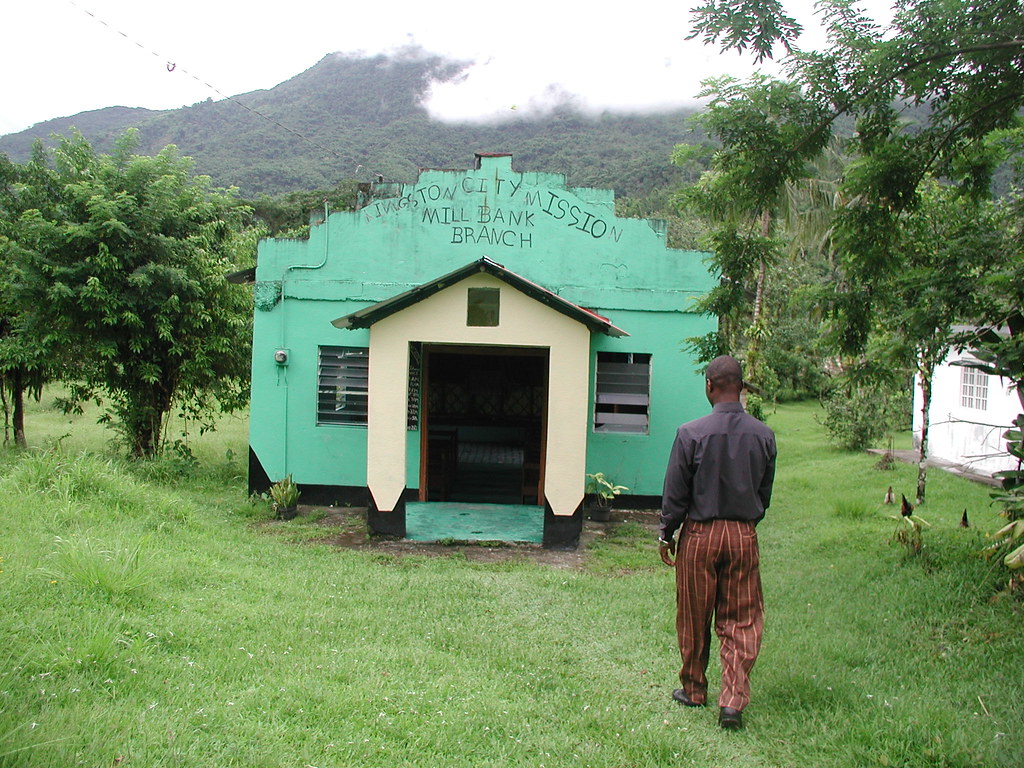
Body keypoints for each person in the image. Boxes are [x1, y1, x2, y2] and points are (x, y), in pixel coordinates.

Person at [658, 355, 776, 730]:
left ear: (709, 386)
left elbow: (676, 493)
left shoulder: (690, 433)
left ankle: (693, 689)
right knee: (741, 618)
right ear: (740, 387)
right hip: (743, 534)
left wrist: (667, 533)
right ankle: (732, 702)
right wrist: (745, 524)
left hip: (699, 534)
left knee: (694, 615)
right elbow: (764, 493)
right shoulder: (764, 435)